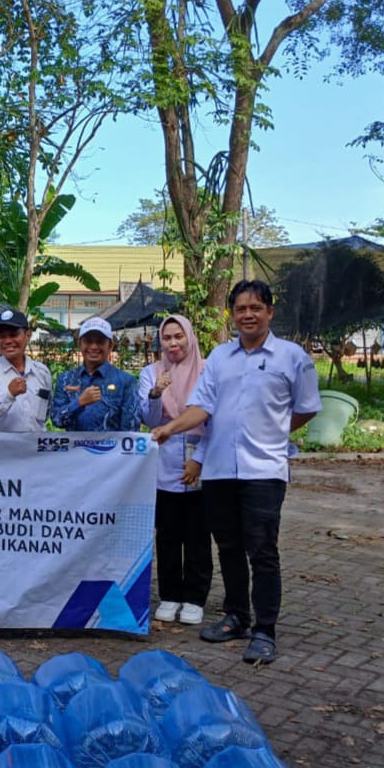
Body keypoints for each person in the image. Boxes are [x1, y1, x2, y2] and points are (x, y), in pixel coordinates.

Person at [152, 280, 321, 665]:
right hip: (219, 471)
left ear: (269, 312)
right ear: (232, 313)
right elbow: (201, 409)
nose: (248, 314)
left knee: (262, 551)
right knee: (227, 547)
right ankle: (236, 616)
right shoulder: (219, 358)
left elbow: (308, 407)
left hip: (265, 470)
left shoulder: (291, 356)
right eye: (240, 308)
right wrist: (168, 428)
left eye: (255, 308)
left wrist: (276, 432)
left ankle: (264, 630)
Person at [139, 315, 211, 625]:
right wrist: (156, 393)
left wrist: (200, 460)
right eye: (167, 338)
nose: (173, 343)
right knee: (167, 532)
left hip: (201, 461)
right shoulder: (151, 373)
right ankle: (169, 594)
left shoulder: (208, 371)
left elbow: (216, 420)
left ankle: (195, 597)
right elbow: (148, 419)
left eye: (178, 336)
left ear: (190, 337)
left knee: (197, 533)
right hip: (163, 464)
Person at [50, 316, 140, 432]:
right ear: (79, 344)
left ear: (110, 345)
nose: (93, 346)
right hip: (75, 449)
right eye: (88, 341)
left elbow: (130, 430)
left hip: (111, 449)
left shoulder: (126, 381)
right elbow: (57, 420)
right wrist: (79, 403)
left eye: (100, 341)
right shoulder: (66, 379)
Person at [0, 310, 51, 432]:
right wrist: (8, 395)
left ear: (27, 335)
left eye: (13, 335)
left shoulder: (42, 372)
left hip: (32, 449)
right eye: (2, 336)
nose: (7, 341)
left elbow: (46, 413)